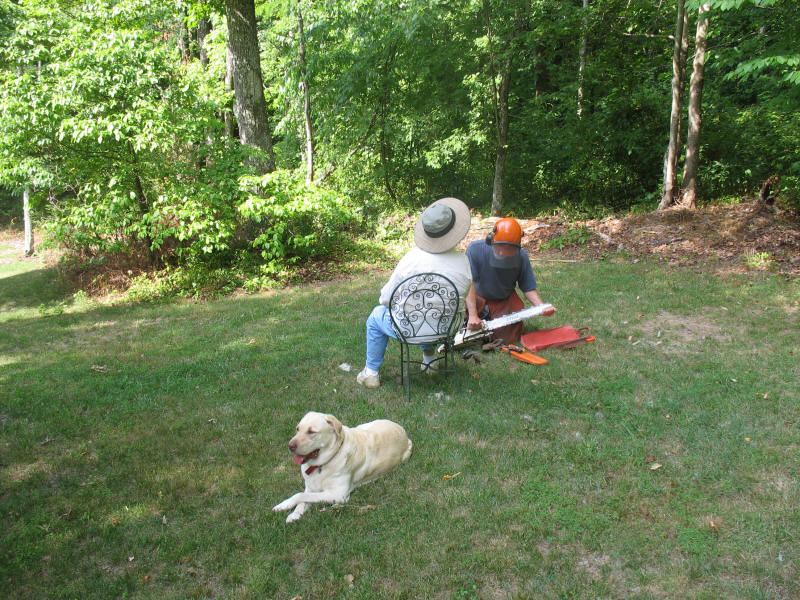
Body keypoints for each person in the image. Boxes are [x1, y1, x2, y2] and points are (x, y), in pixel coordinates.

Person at [357, 197, 479, 389]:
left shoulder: (411, 260)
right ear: (453, 229)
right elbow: (462, 294)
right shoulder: (462, 261)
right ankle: (430, 361)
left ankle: (371, 373)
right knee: (430, 310)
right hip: (446, 327)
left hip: (409, 329)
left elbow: (386, 299)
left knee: (375, 317)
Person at [465, 217, 555, 344]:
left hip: (503, 300)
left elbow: (528, 287)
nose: (502, 252)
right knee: (463, 325)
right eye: (500, 246)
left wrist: (542, 307)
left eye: (509, 248)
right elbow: (469, 283)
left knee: (505, 338)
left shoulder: (521, 257)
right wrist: (473, 315)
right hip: (477, 297)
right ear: (491, 239)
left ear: (518, 246)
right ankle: (473, 318)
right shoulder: (475, 250)